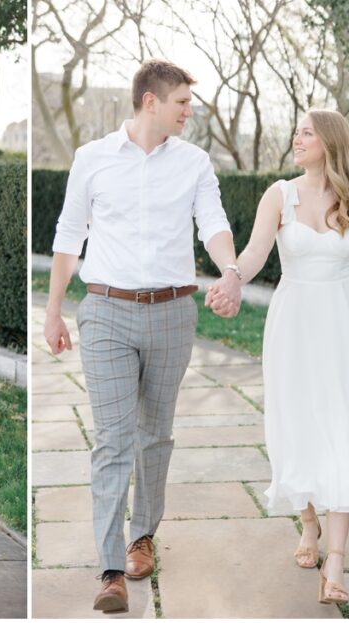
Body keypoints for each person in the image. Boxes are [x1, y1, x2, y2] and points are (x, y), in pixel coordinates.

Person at [44, 59, 242, 613]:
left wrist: (229, 271)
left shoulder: (195, 162)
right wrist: (54, 311)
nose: (190, 111)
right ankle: (109, 569)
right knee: (112, 439)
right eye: (182, 102)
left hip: (173, 312)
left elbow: (215, 224)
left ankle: (142, 535)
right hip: (106, 311)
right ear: (150, 101)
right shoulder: (93, 159)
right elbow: (68, 235)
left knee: (155, 435)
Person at [207, 109, 349, 605]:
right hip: (294, 321)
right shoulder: (279, 194)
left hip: (342, 323)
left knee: (346, 430)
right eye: (295, 131)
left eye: (306, 132)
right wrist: (233, 275)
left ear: (330, 141)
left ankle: (337, 559)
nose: (297, 139)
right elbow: (257, 252)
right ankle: (307, 522)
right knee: (295, 425)